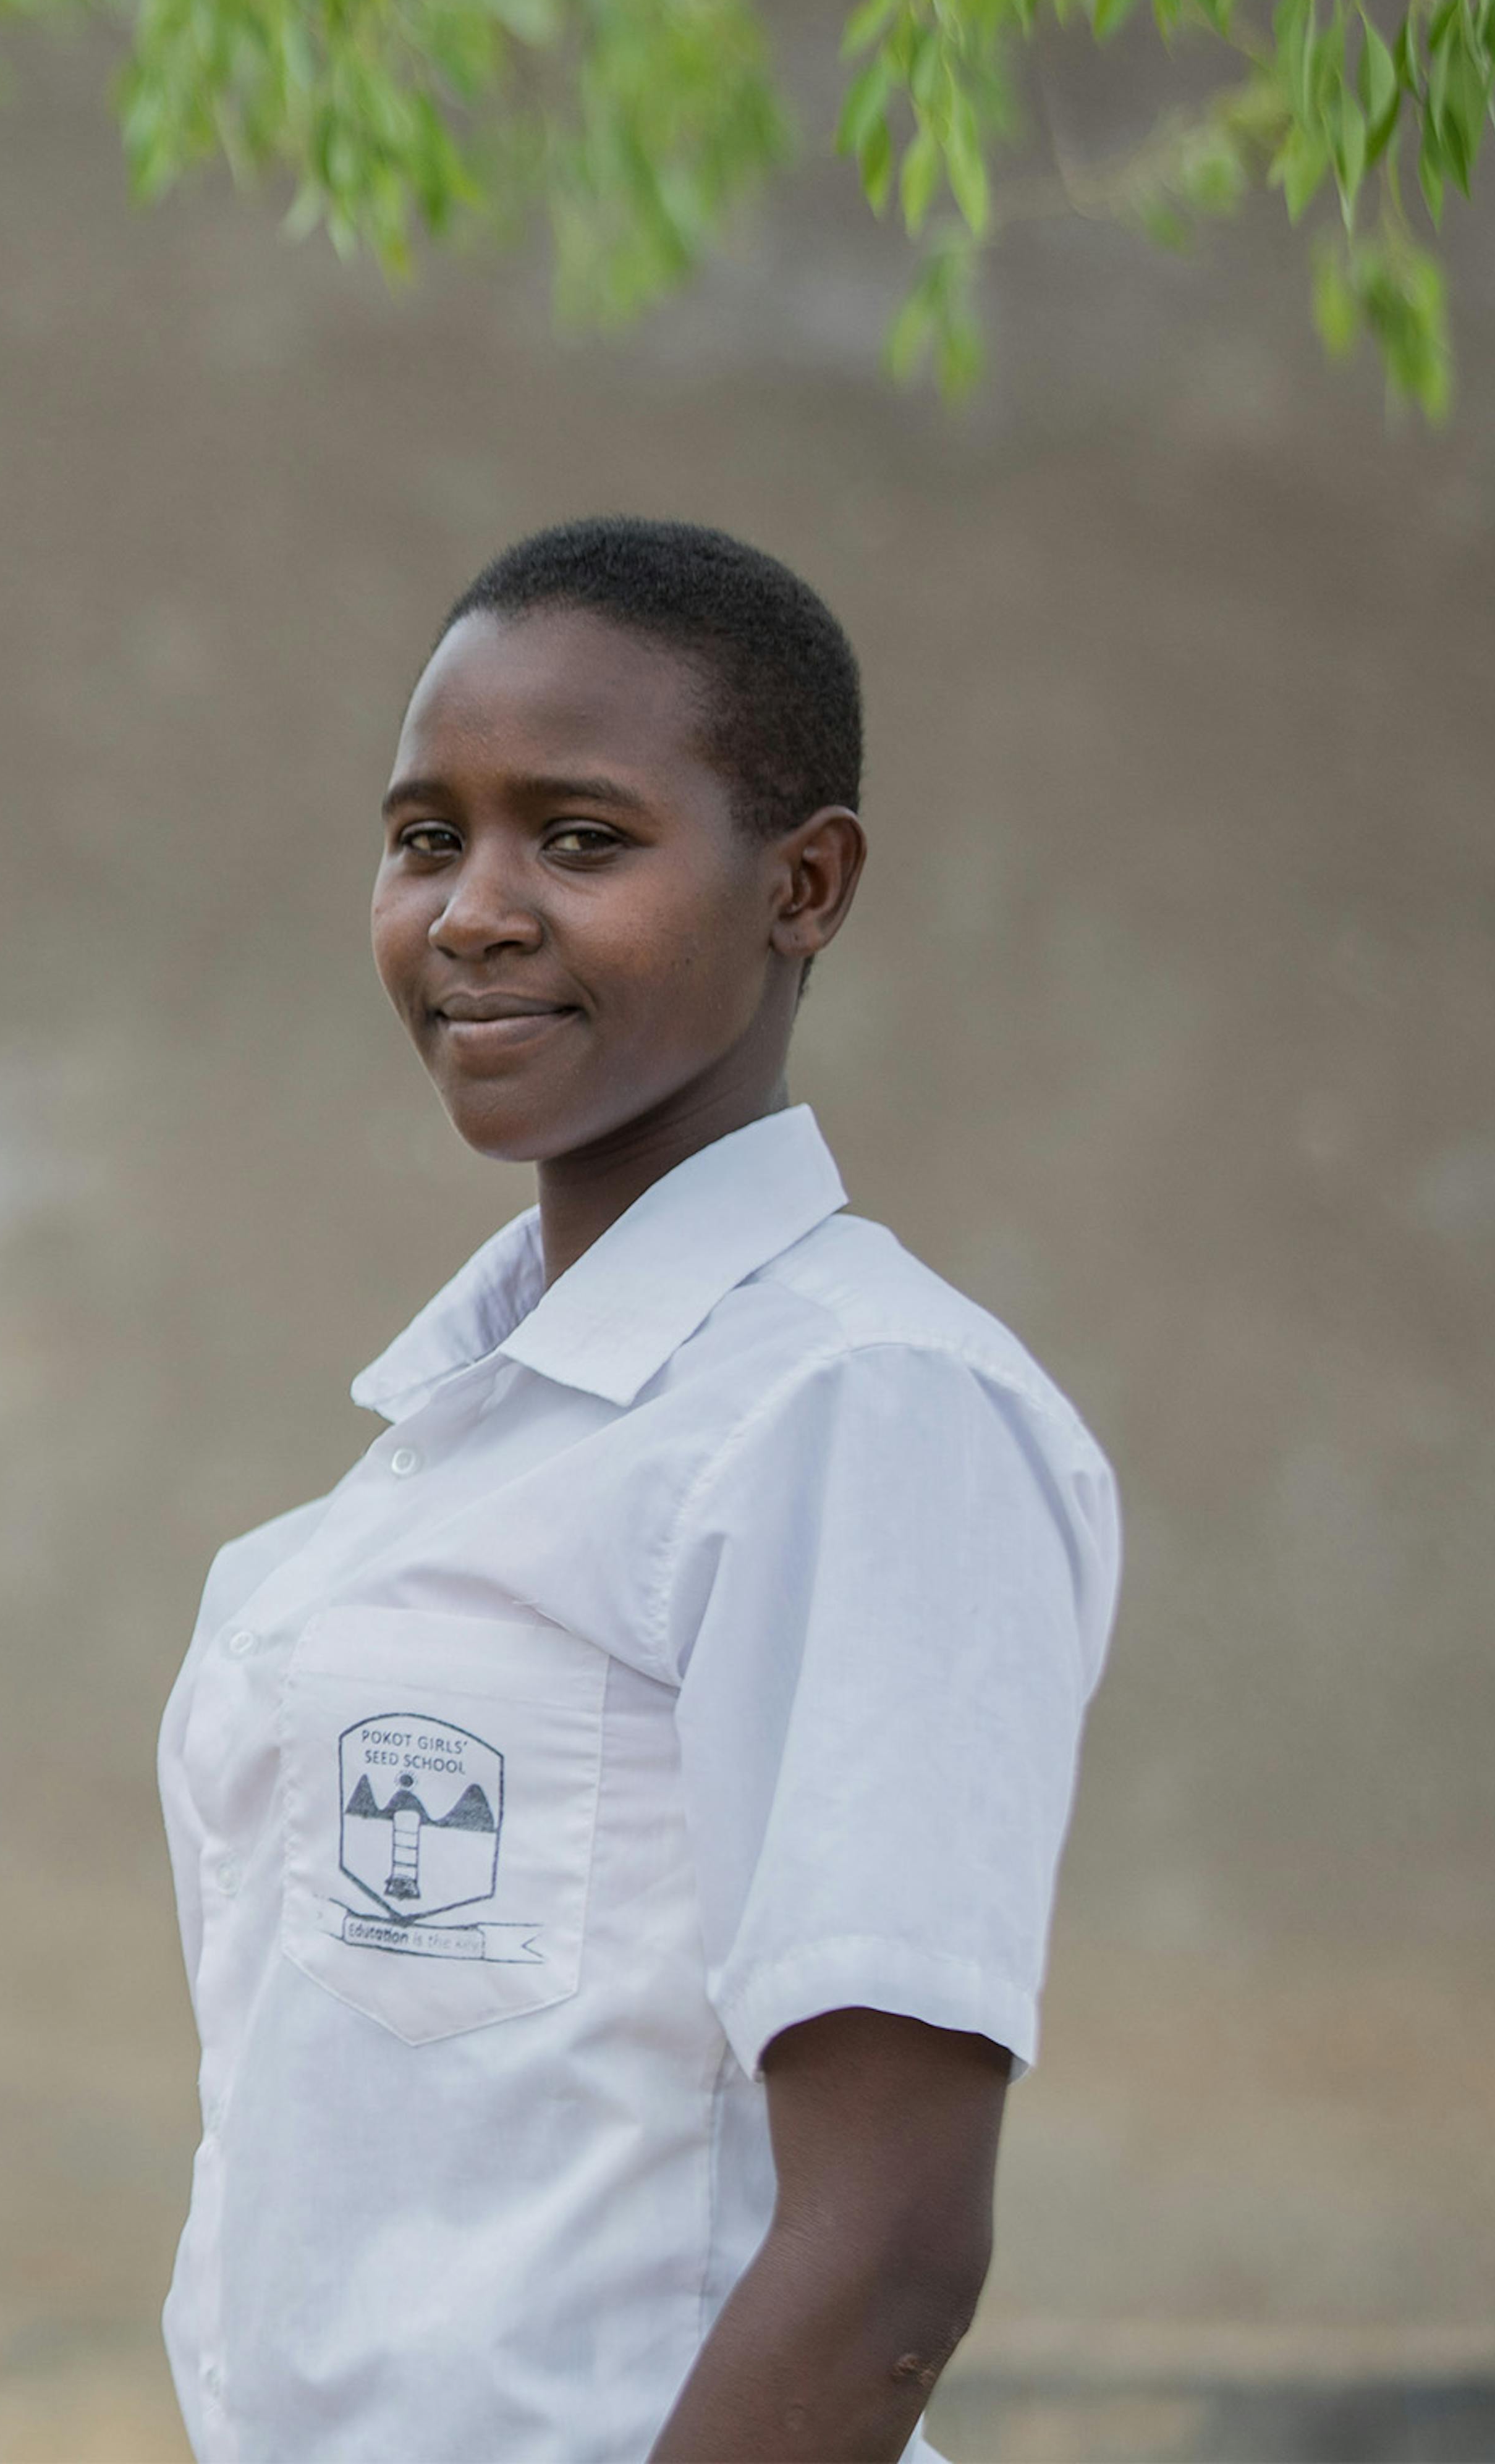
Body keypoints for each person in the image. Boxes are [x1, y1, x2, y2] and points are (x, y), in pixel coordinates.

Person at [156, 518, 1123, 2463]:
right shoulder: (472, 1436)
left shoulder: (858, 1413)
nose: (476, 912)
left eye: (582, 842)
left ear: (807, 885)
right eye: (429, 837)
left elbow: (889, 2254)